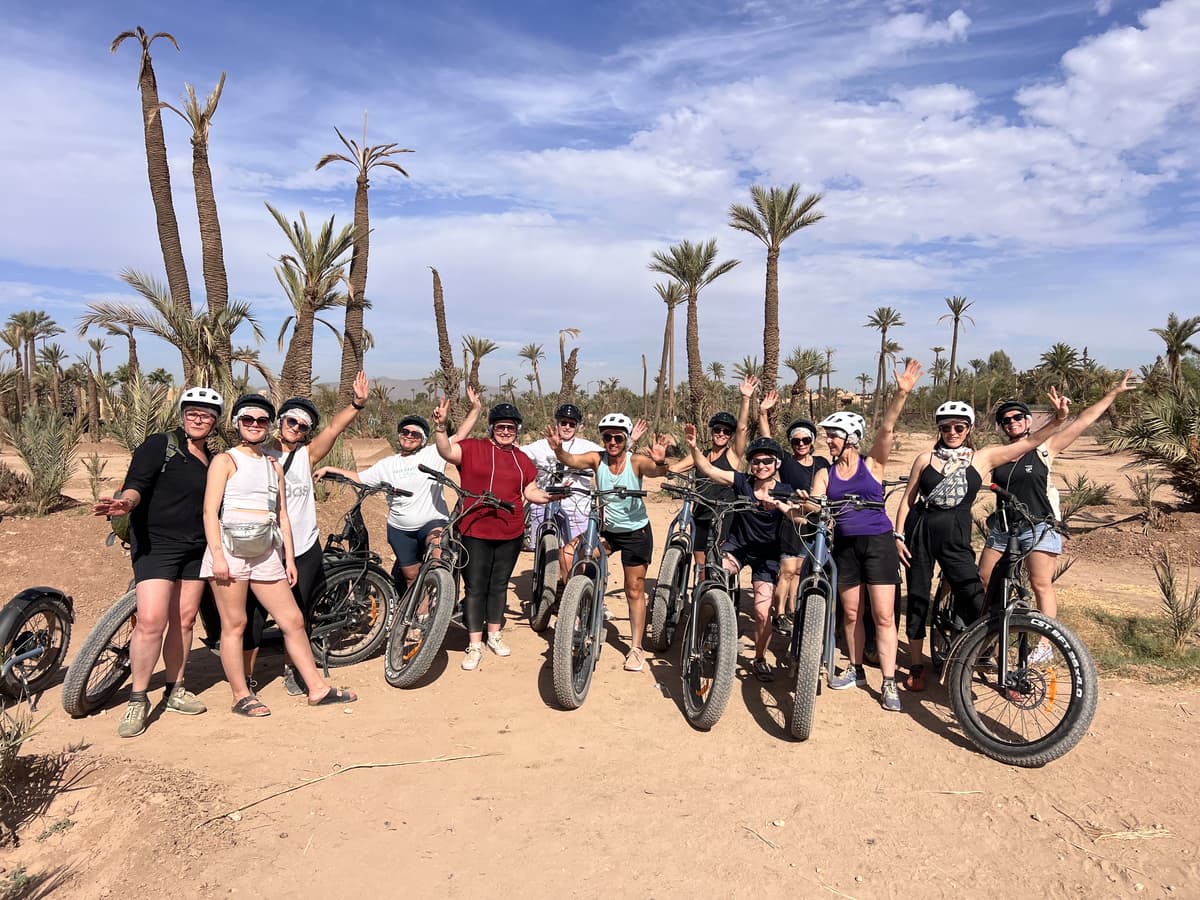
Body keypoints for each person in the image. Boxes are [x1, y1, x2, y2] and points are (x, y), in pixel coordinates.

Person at [894, 390, 1069, 692]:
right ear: (939, 429)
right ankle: (916, 664)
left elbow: (1029, 443)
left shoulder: (983, 457)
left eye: (959, 427)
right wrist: (899, 535)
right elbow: (908, 500)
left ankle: (994, 662)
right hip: (920, 530)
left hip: (955, 533)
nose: (952, 432)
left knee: (977, 595)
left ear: (969, 429)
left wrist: (1058, 420)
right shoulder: (925, 458)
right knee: (919, 596)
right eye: (946, 427)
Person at [201, 394, 356, 715]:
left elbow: (282, 513)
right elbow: (209, 511)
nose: (255, 425)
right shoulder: (225, 461)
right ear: (237, 423)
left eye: (260, 420)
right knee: (236, 623)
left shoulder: (273, 465)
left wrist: (287, 560)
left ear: (268, 424)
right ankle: (241, 695)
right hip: (230, 551)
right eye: (248, 420)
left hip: (266, 552)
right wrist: (216, 555)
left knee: (293, 619)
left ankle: (317, 688)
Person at [93, 387, 224, 738]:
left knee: (183, 621)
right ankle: (138, 697)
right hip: (157, 545)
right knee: (150, 620)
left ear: (215, 422)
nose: (199, 419)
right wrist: (127, 502)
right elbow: (137, 484)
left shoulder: (212, 459)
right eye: (193, 412)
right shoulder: (159, 445)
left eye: (207, 415)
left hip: (196, 548)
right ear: (182, 415)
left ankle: (175, 688)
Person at [237, 372, 371, 696]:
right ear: (280, 421)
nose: (295, 428)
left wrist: (356, 404)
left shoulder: (306, 455)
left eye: (302, 426)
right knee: (252, 619)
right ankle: (246, 678)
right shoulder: (257, 454)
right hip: (265, 549)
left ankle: (291, 669)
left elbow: (335, 428)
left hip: (304, 548)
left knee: (299, 614)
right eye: (291, 421)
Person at [805, 360, 923, 713]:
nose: (828, 441)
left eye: (833, 436)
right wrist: (808, 505)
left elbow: (886, 430)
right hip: (845, 547)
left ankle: (887, 682)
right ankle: (856, 670)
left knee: (884, 615)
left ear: (851, 439)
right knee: (852, 613)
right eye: (828, 436)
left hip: (878, 544)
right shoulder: (826, 473)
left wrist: (901, 394)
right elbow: (814, 503)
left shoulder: (872, 465)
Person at [978, 371, 1133, 619]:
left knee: (1040, 583)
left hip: (1038, 525)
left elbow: (1082, 422)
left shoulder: (1044, 448)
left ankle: (1044, 640)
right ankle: (996, 628)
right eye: (1005, 420)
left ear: (1028, 421)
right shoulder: (997, 454)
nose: (1012, 422)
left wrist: (1113, 393)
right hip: (1004, 527)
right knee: (986, 576)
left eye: (1018, 417)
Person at [315, 391, 479, 596]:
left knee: (438, 556)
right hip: (400, 528)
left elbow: (461, 435)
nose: (409, 436)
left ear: (423, 439)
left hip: (432, 522)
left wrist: (475, 409)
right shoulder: (387, 464)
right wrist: (331, 469)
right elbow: (360, 478)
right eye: (405, 432)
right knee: (411, 576)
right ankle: (421, 619)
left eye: (415, 433)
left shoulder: (433, 453)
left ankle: (442, 602)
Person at [433, 401, 551, 671]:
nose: (506, 431)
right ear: (492, 428)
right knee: (475, 586)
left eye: (510, 427)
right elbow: (446, 451)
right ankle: (474, 644)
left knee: (499, 584)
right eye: (501, 427)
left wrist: (543, 497)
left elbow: (529, 489)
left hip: (510, 531)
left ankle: (494, 635)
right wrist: (440, 426)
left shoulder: (521, 459)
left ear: (517, 430)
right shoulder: (474, 448)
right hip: (475, 529)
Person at [548, 413, 670, 673]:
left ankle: (636, 647)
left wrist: (660, 461)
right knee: (568, 555)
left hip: (636, 533)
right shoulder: (596, 458)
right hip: (607, 530)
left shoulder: (635, 461)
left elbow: (656, 471)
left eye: (617, 437)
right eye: (607, 437)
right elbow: (570, 460)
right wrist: (558, 449)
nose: (612, 442)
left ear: (626, 439)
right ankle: (581, 606)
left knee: (634, 589)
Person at [686, 427, 787, 681]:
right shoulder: (742, 482)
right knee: (713, 575)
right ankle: (706, 630)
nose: (761, 465)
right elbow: (709, 470)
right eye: (756, 461)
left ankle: (760, 657)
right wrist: (694, 448)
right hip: (738, 548)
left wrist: (784, 506)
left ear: (776, 463)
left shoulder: (785, 490)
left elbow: (800, 515)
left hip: (768, 557)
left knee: (764, 612)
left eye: (767, 461)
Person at [757, 390, 830, 636]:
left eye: (805, 440)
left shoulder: (822, 464)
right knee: (787, 570)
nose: (800, 445)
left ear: (812, 441)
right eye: (796, 441)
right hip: (790, 520)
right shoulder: (786, 462)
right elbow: (767, 438)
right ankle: (778, 613)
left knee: (801, 569)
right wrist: (762, 412)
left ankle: (792, 610)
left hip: (812, 523)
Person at [667, 375, 753, 565]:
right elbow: (674, 468)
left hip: (724, 513)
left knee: (718, 558)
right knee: (700, 561)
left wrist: (745, 399)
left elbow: (743, 429)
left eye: (726, 431)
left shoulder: (732, 454)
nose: (721, 434)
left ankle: (718, 590)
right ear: (712, 431)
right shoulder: (700, 454)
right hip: (700, 511)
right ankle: (699, 591)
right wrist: (659, 462)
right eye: (717, 430)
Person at [520, 402, 601, 565]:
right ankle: (543, 577)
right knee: (542, 549)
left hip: (576, 504)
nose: (567, 427)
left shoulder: (587, 447)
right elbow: (517, 455)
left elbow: (612, 457)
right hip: (544, 502)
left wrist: (631, 441)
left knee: (576, 553)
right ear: (557, 423)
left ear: (577, 426)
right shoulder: (540, 446)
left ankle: (572, 583)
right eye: (563, 422)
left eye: (572, 424)